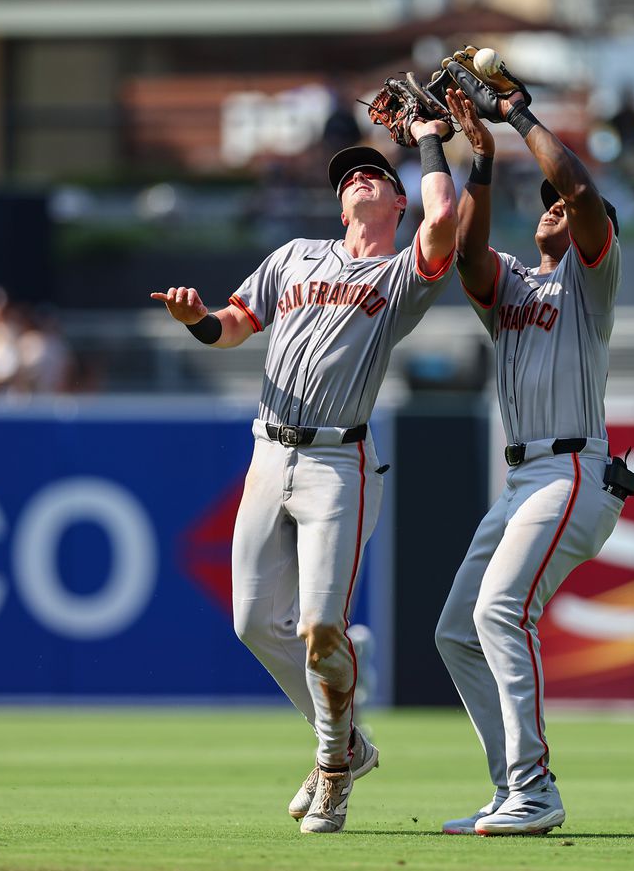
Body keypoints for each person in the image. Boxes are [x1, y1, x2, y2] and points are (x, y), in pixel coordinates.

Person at [150, 122, 458, 835]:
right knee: (253, 622)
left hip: (338, 461)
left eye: (374, 175)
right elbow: (233, 324)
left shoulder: (401, 273)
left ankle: (333, 767)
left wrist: (430, 140)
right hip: (269, 449)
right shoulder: (292, 256)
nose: (357, 178)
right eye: (349, 175)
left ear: (398, 202)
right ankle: (353, 742)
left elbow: (445, 216)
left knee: (321, 627)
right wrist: (196, 319)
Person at [433, 76, 634, 836]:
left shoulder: (592, 278)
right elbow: (469, 254)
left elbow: (581, 192)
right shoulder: (513, 282)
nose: (553, 206)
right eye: (543, 201)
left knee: (500, 609)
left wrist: (518, 114)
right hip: (526, 479)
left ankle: (536, 787)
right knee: (458, 630)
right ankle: (510, 788)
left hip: (575, 469)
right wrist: (478, 160)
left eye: (566, 208)